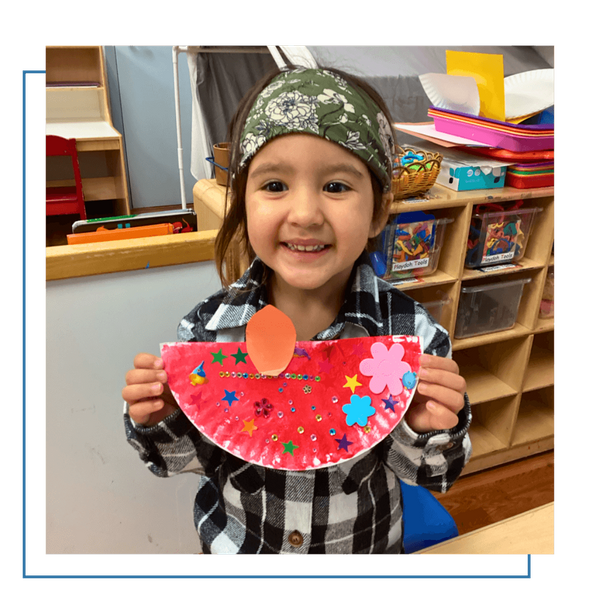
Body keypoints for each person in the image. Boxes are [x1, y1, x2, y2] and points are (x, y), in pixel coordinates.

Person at [122, 66, 472, 555]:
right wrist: (160, 419)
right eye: (274, 185)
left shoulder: (410, 336)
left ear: (377, 211)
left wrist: (431, 430)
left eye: (335, 187)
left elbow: (432, 476)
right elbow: (186, 459)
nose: (305, 214)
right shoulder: (205, 332)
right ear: (243, 205)